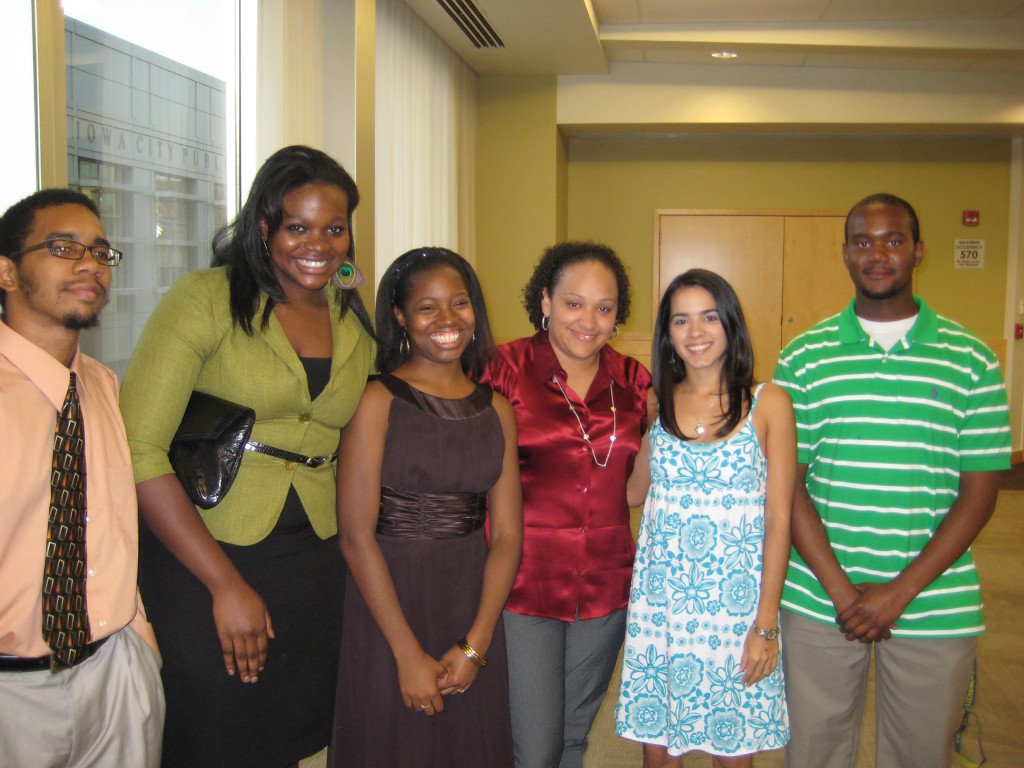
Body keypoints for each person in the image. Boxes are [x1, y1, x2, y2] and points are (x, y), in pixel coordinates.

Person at [119, 145, 375, 767]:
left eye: (334, 228)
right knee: (215, 733)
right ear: (263, 226)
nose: (319, 243)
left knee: (283, 731)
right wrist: (225, 584)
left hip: (313, 557)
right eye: (297, 226)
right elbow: (139, 446)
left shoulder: (352, 317)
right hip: (207, 549)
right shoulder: (205, 298)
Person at [773, 193, 1012, 768]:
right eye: (862, 241)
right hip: (817, 597)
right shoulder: (803, 358)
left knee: (921, 755)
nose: (877, 254)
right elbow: (787, 487)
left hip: (934, 601)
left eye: (893, 240)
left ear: (918, 251)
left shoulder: (972, 359)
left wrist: (898, 593)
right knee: (813, 753)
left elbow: (978, 496)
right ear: (845, 255)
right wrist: (842, 592)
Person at [331, 247, 522, 767]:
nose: (446, 320)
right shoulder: (377, 401)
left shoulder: (497, 410)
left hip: (469, 596)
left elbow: (507, 536)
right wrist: (405, 651)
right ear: (400, 317)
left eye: (459, 303)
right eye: (427, 307)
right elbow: (354, 536)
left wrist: (476, 644)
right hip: (389, 601)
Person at [0, 189, 165, 767]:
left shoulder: (99, 385)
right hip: (12, 692)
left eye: (99, 250)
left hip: (115, 668)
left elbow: (111, 521)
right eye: (63, 247)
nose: (89, 263)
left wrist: (140, 641)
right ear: (6, 270)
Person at [481, 241, 652, 768]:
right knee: (535, 748)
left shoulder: (634, 381)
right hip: (524, 584)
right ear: (546, 302)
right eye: (575, 303)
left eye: (605, 308)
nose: (590, 320)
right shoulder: (503, 369)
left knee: (574, 737)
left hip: (606, 584)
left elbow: (630, 491)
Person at [614, 269, 794, 767]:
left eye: (709, 317)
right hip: (663, 606)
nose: (695, 332)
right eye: (681, 320)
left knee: (731, 752)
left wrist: (765, 625)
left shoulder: (768, 404)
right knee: (659, 752)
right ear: (667, 334)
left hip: (735, 611)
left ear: (730, 323)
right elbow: (633, 494)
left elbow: (781, 518)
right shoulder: (657, 404)